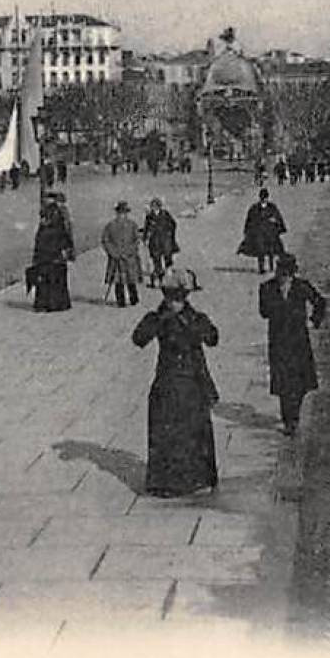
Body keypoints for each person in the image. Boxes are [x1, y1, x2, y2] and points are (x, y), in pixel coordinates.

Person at [132, 268, 220, 497]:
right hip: (168, 380)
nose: (174, 303)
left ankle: (196, 478)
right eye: (170, 298)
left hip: (192, 381)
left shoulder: (195, 317)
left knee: (192, 431)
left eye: (178, 298)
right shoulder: (158, 318)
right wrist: (160, 319)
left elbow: (213, 338)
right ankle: (167, 482)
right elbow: (138, 338)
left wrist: (191, 323)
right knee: (167, 431)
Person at [259, 253, 328, 434]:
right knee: (283, 381)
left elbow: (320, 302)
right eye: (281, 273)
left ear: (291, 273)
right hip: (278, 340)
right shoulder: (267, 288)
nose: (282, 277)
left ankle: (294, 416)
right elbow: (263, 312)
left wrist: (314, 321)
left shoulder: (301, 287)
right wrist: (278, 307)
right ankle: (288, 419)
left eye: (286, 274)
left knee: (298, 382)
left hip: (298, 340)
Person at [28, 201, 74, 312]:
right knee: (56, 283)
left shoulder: (43, 229)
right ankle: (57, 304)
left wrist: (36, 259)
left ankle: (44, 304)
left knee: (45, 284)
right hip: (55, 259)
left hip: (45, 259)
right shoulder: (58, 227)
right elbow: (66, 241)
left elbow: (38, 244)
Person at [102, 201, 144, 307]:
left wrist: (129, 251)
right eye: (120, 213)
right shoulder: (110, 226)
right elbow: (105, 240)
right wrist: (113, 253)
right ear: (117, 213)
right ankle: (120, 301)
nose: (122, 215)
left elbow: (137, 241)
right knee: (118, 280)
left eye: (124, 213)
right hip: (116, 258)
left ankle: (134, 299)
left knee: (131, 279)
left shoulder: (132, 225)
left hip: (129, 257)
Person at [238, 188, 286, 273]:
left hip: (269, 232)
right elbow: (249, 220)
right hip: (259, 232)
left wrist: (278, 225)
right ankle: (261, 268)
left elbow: (278, 217)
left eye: (265, 197)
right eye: (263, 197)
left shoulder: (272, 207)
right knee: (261, 250)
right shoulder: (255, 208)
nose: (264, 199)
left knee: (271, 250)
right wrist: (247, 230)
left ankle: (271, 266)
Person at [141, 197, 179, 287]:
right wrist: (145, 238)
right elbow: (146, 228)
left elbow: (173, 223)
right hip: (155, 241)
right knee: (156, 259)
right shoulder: (149, 217)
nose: (154, 208)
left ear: (159, 206)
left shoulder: (165, 214)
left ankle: (168, 276)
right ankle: (159, 279)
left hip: (165, 240)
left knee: (167, 257)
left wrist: (169, 233)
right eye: (152, 206)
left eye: (156, 206)